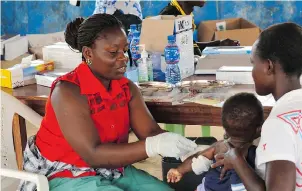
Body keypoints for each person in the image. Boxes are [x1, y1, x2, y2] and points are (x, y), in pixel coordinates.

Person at [18, 14, 198, 191]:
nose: (123, 58)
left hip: (113, 169)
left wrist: (190, 151)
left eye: (125, 50)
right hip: (64, 173)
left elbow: (151, 133)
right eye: (113, 53)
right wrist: (155, 145)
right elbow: (93, 155)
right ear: (88, 53)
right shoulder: (68, 92)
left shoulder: (127, 88)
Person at [212, 23, 302, 190]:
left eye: (254, 63)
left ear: (269, 66)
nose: (252, 71)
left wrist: (236, 159)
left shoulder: (278, 124)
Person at [167, 93, 264, 191]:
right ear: (259, 130)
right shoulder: (255, 153)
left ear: (224, 128)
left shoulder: (219, 146)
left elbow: (196, 158)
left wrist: (179, 170)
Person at [159, 0, 240, 56]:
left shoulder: (183, 13)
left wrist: (219, 44)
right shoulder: (169, 15)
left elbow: (189, 46)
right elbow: (169, 52)